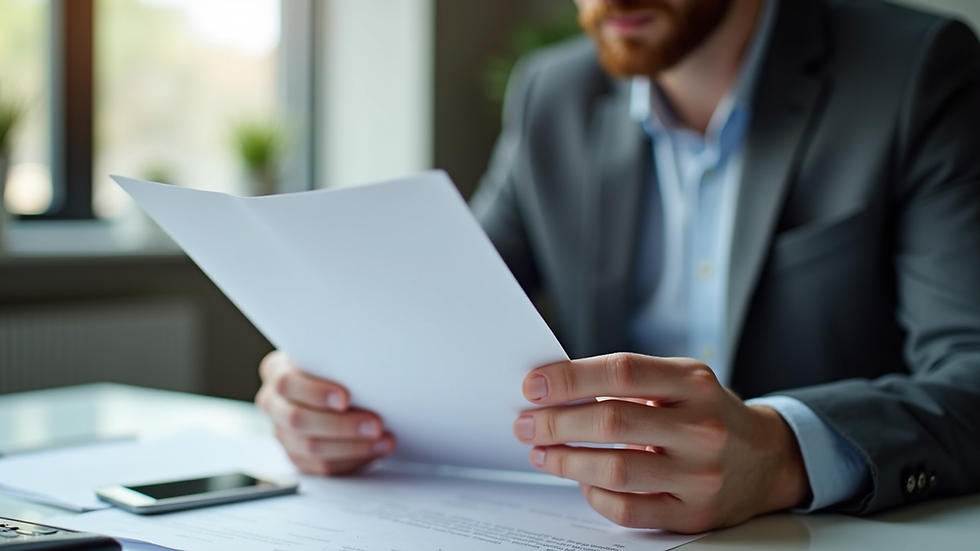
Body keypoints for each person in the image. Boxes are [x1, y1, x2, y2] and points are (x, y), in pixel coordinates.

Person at [254, 0, 980, 534]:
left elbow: (971, 368)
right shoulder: (552, 95)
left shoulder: (916, 70)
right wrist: (334, 389)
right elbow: (444, 312)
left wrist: (779, 452)